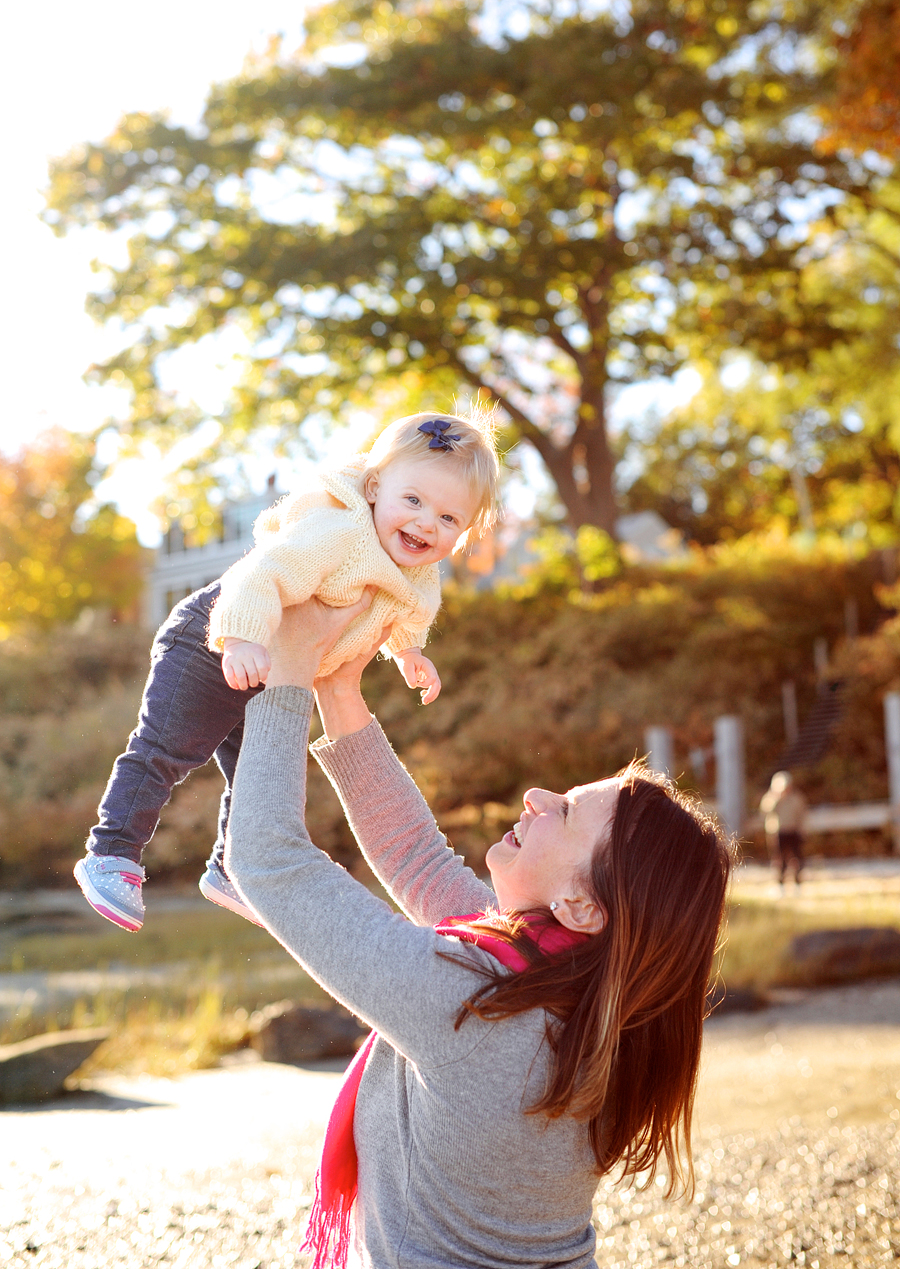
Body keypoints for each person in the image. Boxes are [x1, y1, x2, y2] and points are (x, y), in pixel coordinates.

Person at [224, 594, 734, 1269]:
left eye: (567, 811)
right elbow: (415, 857)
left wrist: (287, 668)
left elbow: (268, 858)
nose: (537, 797)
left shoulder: (476, 1006)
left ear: (583, 906)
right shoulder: (575, 998)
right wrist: (337, 687)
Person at [74, 411, 500, 933]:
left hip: (277, 667)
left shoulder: (420, 572)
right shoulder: (338, 531)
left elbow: (407, 616)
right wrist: (242, 638)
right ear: (373, 487)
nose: (426, 524)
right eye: (412, 501)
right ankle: (112, 852)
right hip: (217, 637)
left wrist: (410, 654)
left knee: (257, 772)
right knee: (168, 748)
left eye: (449, 519)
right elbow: (261, 573)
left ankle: (231, 868)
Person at [760, 770, 807, 887]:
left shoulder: (796, 798)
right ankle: (779, 884)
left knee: (796, 859)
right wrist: (776, 798)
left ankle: (797, 883)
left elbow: (802, 815)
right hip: (778, 832)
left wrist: (802, 830)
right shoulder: (771, 798)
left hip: (793, 831)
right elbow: (765, 812)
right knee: (779, 860)